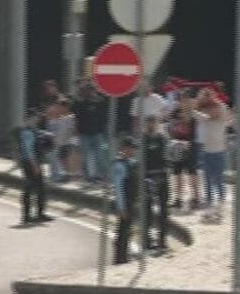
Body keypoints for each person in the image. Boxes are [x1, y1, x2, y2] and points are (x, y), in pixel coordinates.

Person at [194, 87, 232, 221]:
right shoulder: (203, 113)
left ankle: (220, 206)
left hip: (219, 151)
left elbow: (217, 112)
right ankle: (209, 207)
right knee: (208, 182)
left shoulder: (221, 112)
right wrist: (200, 101)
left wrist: (210, 99)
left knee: (219, 180)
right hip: (206, 151)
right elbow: (195, 111)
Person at [166, 89, 201, 211]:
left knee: (192, 173)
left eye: (185, 98)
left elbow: (191, 123)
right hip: (177, 145)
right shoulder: (176, 111)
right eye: (181, 99)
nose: (183, 101)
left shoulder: (194, 112)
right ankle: (178, 199)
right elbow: (169, 123)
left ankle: (195, 198)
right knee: (177, 174)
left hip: (191, 145)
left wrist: (187, 111)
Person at [17, 112, 54, 224]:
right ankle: (34, 214)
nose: (36, 120)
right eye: (34, 118)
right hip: (31, 163)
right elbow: (29, 151)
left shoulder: (32, 131)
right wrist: (35, 165)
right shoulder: (28, 132)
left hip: (30, 162)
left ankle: (31, 215)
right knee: (36, 188)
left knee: (34, 188)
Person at [71, 78, 107, 185]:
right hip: (84, 133)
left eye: (91, 89)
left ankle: (99, 176)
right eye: (87, 90)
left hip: (98, 133)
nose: (90, 92)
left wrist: (102, 129)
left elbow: (104, 117)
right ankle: (88, 176)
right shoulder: (80, 102)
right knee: (85, 155)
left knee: (99, 155)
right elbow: (75, 115)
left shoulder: (100, 101)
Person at [142, 117, 170, 253]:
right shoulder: (142, 140)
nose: (151, 125)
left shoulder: (162, 139)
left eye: (154, 123)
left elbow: (168, 157)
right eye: (149, 123)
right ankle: (147, 241)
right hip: (147, 177)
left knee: (163, 211)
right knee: (147, 210)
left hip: (162, 177)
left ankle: (162, 241)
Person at [112, 137, 139, 265]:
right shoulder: (119, 165)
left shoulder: (131, 163)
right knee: (123, 230)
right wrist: (121, 207)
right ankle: (120, 257)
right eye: (131, 148)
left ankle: (123, 255)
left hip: (131, 201)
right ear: (124, 149)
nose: (134, 151)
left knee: (127, 230)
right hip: (125, 203)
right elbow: (118, 187)